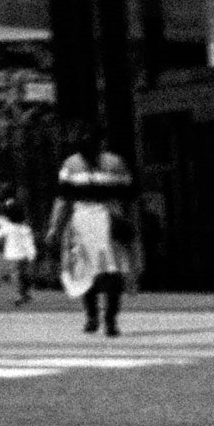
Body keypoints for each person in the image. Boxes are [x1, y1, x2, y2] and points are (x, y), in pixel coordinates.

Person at [50, 131, 137, 335]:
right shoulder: (71, 165)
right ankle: (93, 315)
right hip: (83, 219)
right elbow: (62, 197)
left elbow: (129, 195)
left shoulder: (114, 163)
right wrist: (55, 226)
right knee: (86, 270)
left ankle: (109, 319)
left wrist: (128, 222)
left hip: (108, 219)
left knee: (111, 271)